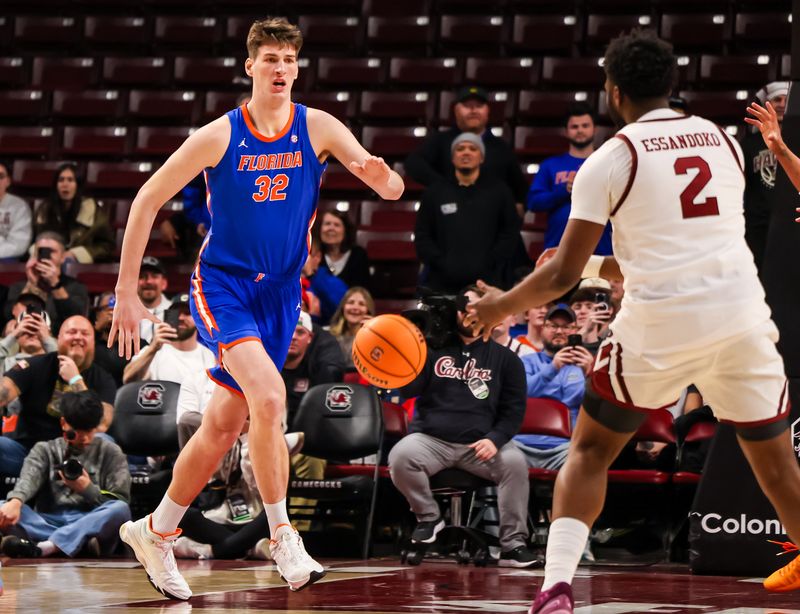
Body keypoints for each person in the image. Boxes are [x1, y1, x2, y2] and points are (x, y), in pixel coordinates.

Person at [468, 29, 800, 610]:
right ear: (673, 85)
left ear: (613, 90)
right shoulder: (723, 141)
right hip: (741, 319)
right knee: (777, 472)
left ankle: (555, 587)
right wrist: (602, 262)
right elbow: (682, 244)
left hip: (662, 327)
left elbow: (559, 277)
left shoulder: (611, 157)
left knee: (591, 451)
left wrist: (497, 305)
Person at [107, 17, 403, 600]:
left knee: (223, 426)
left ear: (298, 66)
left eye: (289, 59)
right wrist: (122, 293)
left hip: (281, 295)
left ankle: (156, 531)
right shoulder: (219, 135)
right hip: (224, 285)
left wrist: (378, 175)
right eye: (269, 58)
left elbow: (389, 188)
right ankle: (283, 533)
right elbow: (146, 201)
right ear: (250, 66)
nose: (280, 68)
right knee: (270, 397)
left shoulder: (316, 126)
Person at [388, 286, 537, 568]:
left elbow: (514, 411)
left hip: (482, 444)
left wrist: (495, 439)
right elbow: (407, 390)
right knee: (401, 456)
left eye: (477, 310)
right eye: (464, 309)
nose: (470, 316)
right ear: (455, 313)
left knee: (515, 464)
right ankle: (429, 517)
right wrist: (407, 350)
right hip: (432, 440)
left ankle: (512, 545)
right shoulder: (432, 350)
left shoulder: (508, 360)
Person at [0, 391, 130, 558]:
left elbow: (121, 499)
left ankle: (46, 546)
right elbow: (28, 479)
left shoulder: (111, 452)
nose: (83, 438)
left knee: (120, 509)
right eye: (77, 432)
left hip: (91, 521)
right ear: (64, 423)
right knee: (3, 505)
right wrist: (16, 501)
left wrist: (88, 489)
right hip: (48, 521)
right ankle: (76, 544)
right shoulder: (45, 449)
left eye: (89, 431)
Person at [0, 315, 117, 477]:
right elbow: (2, 393)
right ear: (58, 338)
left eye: (84, 333)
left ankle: (94, 498)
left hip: (77, 459)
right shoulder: (34, 365)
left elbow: (102, 424)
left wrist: (76, 380)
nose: (78, 337)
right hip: (27, 454)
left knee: (105, 441)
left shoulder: (103, 378)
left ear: (93, 343)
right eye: (72, 332)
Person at [415, 132, 521, 294]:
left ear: (482, 157)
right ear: (452, 157)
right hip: (442, 283)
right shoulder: (435, 192)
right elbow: (422, 235)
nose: (466, 152)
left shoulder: (499, 191)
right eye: (460, 149)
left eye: (473, 148)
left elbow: (510, 233)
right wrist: (441, 263)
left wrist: (491, 262)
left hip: (488, 283)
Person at [405, 85, 528, 215]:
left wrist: (518, 206)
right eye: (467, 106)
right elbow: (413, 163)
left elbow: (520, 188)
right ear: (456, 110)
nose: (473, 110)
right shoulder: (440, 141)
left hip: (490, 219)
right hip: (449, 217)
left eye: (479, 106)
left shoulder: (501, 147)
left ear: (487, 111)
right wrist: (443, 186)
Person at [526, 103, 613, 256]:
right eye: (574, 127)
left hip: (600, 250)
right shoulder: (550, 165)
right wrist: (563, 191)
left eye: (585, 125)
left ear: (595, 129)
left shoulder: (607, 162)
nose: (580, 130)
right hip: (557, 251)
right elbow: (533, 202)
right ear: (566, 132)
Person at [514, 305, 591, 471]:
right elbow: (520, 393)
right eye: (553, 326)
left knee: (589, 458)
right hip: (521, 444)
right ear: (543, 329)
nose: (559, 331)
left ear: (575, 331)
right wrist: (553, 367)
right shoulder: (527, 361)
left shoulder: (585, 365)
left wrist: (591, 376)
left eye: (566, 327)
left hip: (566, 447)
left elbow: (597, 407)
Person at [741, 82, 789, 272]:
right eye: (777, 99)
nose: (782, 104)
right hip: (758, 224)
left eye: (786, 100)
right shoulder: (749, 143)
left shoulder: (796, 139)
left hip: (790, 221)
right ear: (766, 104)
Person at [4, 232, 90, 334]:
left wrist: (55, 283)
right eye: (40, 251)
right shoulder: (19, 286)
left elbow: (77, 318)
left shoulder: (76, 287)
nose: (46, 255)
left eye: (51, 251)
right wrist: (31, 284)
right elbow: (9, 316)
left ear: (62, 257)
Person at [122, 293, 215, 385]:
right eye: (176, 313)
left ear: (198, 319)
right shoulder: (153, 351)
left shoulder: (210, 357)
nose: (181, 317)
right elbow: (128, 379)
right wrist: (152, 349)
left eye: (187, 313)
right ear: (167, 316)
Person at [33, 163, 115, 264]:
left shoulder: (93, 212)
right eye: (61, 180)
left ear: (78, 185)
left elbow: (107, 246)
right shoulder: (44, 209)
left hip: (78, 265)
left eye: (70, 180)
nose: (65, 184)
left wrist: (76, 254)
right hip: (47, 259)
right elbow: (34, 240)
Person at [314, 210, 370, 289]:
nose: (331, 228)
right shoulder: (312, 254)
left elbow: (362, 290)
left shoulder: (358, 255)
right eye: (327, 224)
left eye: (336, 225)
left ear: (345, 231)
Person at [301, 238, 348, 326]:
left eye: (304, 253)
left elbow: (340, 312)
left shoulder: (332, 283)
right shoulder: (283, 281)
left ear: (318, 257)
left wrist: (310, 274)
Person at [327, 286, 374, 370]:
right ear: (343, 307)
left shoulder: (376, 338)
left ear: (368, 310)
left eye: (361, 304)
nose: (355, 308)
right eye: (351, 302)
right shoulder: (328, 335)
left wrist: (373, 334)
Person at [568, 278, 616, 355]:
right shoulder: (561, 341)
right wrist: (585, 329)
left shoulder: (609, 348)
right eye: (577, 307)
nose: (582, 311)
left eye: (589, 307)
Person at [91, 292, 128, 388]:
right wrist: (97, 329)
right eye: (107, 308)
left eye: (117, 309)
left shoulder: (136, 345)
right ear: (97, 314)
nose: (112, 313)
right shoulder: (88, 343)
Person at [0, 160, 32, 262]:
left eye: (0, 177)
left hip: (5, 259)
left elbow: (19, 245)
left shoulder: (19, 207)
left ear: (8, 181)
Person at [137, 256, 172, 345]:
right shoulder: (126, 312)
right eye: (142, 276)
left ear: (164, 283)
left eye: (154, 276)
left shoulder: (175, 311)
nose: (148, 281)